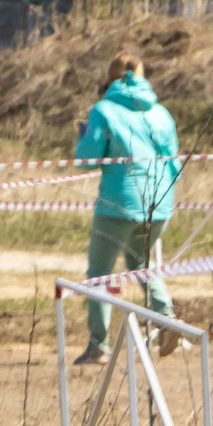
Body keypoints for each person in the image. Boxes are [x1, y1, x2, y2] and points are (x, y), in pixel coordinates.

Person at [71, 54, 183, 366]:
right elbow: (174, 160)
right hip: (159, 202)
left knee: (98, 275)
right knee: (143, 265)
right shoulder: (161, 112)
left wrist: (81, 140)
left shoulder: (103, 110)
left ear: (109, 78)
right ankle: (166, 319)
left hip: (117, 204)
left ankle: (98, 345)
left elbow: (88, 158)